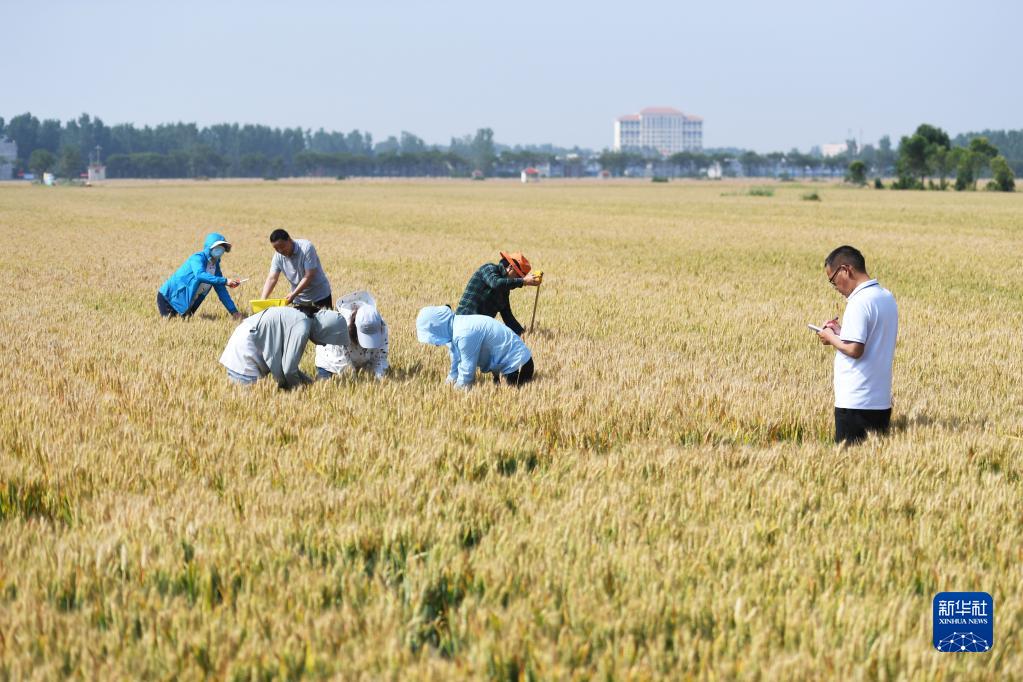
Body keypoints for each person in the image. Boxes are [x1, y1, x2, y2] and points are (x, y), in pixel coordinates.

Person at [816, 245, 898, 444]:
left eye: (833, 280)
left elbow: (855, 349)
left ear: (846, 270)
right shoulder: (886, 297)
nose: (835, 288)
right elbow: (871, 339)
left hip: (855, 402)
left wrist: (829, 337)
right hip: (880, 402)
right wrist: (841, 332)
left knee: (846, 467)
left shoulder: (858, 302)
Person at [219, 306, 347, 389]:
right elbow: (289, 370)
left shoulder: (301, 318)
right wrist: (302, 391)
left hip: (243, 340)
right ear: (324, 331)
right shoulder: (302, 327)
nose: (323, 344)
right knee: (249, 408)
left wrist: (309, 383)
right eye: (327, 340)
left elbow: (286, 367)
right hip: (246, 353)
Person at [416, 305, 534, 389]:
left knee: (502, 400)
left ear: (437, 328)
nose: (434, 343)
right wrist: (447, 387)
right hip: (510, 368)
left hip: (519, 368)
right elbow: (456, 366)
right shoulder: (454, 328)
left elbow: (467, 372)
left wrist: (454, 398)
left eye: (431, 337)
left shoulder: (464, 333)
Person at [157, 232, 243, 319]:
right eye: (217, 247)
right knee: (172, 325)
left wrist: (234, 311)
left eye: (222, 248)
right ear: (209, 247)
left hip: (188, 303)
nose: (220, 250)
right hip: (169, 298)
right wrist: (225, 281)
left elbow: (221, 290)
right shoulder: (197, 258)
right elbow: (200, 275)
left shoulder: (215, 267)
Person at [456, 251, 540, 335]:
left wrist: (524, 334)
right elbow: (496, 283)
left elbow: (507, 316)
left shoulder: (504, 290)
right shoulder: (489, 268)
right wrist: (523, 281)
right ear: (510, 267)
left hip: (479, 330)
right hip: (464, 322)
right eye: (518, 276)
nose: (517, 279)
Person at [315, 291, 389, 381]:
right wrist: (355, 382)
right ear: (354, 327)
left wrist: (379, 379)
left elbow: (380, 356)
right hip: (332, 360)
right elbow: (342, 363)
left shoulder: (381, 325)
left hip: (361, 360)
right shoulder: (340, 328)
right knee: (327, 386)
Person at [259, 229, 333, 309]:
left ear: (290, 240)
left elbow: (309, 275)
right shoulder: (278, 256)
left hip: (320, 296)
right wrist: (262, 300)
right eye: (276, 248)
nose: (280, 250)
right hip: (299, 300)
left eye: (282, 246)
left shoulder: (306, 248)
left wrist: (293, 294)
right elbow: (272, 278)